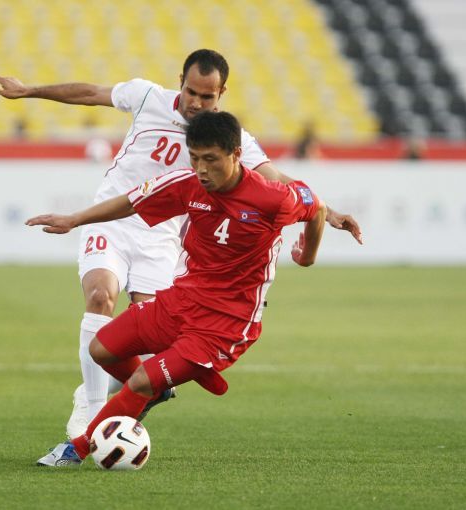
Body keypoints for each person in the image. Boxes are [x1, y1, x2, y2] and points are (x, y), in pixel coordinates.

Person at [0, 49, 362, 441]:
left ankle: (122, 397)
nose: (196, 103)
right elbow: (90, 93)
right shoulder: (146, 96)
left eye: (207, 97)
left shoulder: (229, 138)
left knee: (150, 349)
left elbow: (279, 182)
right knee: (100, 296)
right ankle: (90, 414)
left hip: (163, 238)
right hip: (114, 221)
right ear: (180, 82)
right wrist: (27, 91)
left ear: (221, 94)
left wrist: (330, 213)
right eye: (191, 92)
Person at [27, 111, 327, 466]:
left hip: (227, 323)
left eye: (210, 159)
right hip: (182, 301)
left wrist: (307, 257)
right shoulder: (188, 184)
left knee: (141, 380)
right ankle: (160, 387)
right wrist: (74, 219)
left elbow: (317, 207)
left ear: (236, 154)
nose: (201, 169)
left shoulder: (273, 198)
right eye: (195, 158)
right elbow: (132, 201)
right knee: (101, 349)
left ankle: (76, 449)